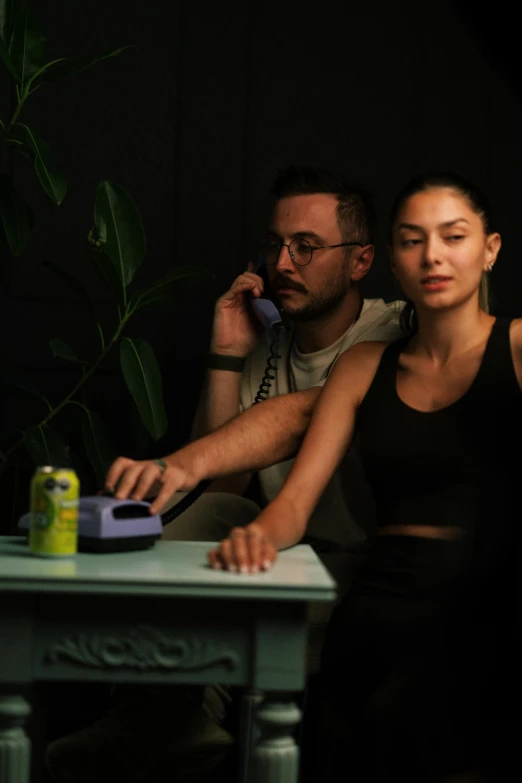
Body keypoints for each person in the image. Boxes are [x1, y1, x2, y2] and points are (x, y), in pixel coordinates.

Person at [45, 167, 403, 783]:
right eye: (274, 245)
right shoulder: (269, 340)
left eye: (306, 247)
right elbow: (223, 485)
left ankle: (175, 722)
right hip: (263, 539)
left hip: (353, 559)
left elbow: (306, 417)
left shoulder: (395, 331)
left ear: (361, 259)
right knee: (206, 517)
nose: (283, 262)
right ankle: (161, 714)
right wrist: (227, 355)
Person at [201, 171, 522, 781]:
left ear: (490, 249)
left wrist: (178, 464)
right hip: (376, 598)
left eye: (453, 236)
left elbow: (293, 419)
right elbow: (267, 500)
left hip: (466, 599)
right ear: (394, 260)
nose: (432, 254)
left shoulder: (492, 344)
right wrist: (256, 536)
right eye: (413, 240)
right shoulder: (360, 363)